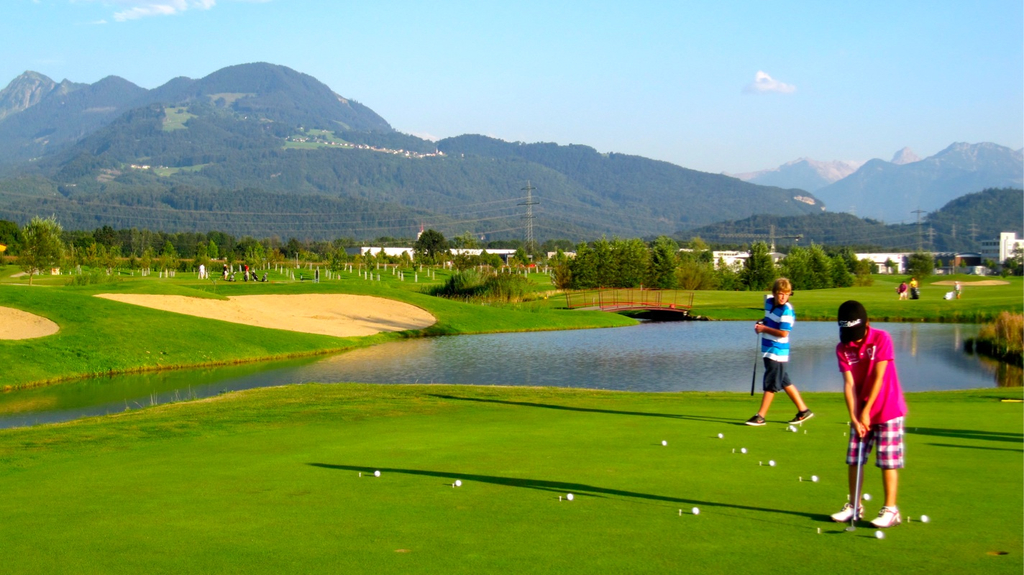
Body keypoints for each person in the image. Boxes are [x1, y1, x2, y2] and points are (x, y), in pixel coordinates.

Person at [830, 300, 908, 529]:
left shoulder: (882, 338)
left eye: (856, 333)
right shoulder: (842, 347)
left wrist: (866, 411)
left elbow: (879, 377)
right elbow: (849, 385)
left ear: (867, 324)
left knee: (887, 461)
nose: (853, 340)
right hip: (861, 411)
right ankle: (855, 505)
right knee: (854, 458)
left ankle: (891, 510)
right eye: (848, 334)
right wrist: (855, 417)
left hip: (888, 409)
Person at [745, 278, 814, 426]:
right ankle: (803, 410)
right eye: (780, 293)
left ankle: (760, 416)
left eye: (786, 294)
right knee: (784, 381)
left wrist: (764, 329)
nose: (783, 297)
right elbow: (768, 319)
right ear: (774, 293)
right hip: (768, 349)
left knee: (770, 384)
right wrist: (761, 323)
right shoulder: (769, 303)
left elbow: (783, 333)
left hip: (777, 352)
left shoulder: (787, 310)